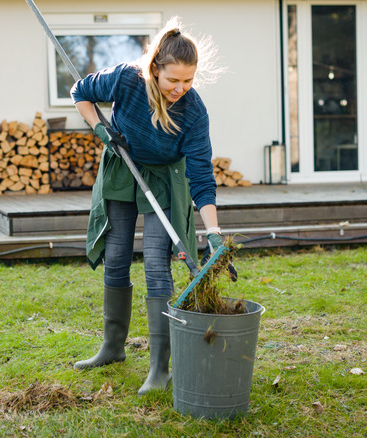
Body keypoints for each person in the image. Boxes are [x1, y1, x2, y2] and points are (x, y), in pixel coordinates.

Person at [70, 17, 226, 395]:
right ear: (154, 68)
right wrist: (99, 128)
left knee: (157, 264)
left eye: (188, 80)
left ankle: (160, 368)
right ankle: (112, 348)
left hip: (164, 178)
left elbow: (202, 177)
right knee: (118, 254)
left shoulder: (193, 111)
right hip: (124, 166)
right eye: (173, 80)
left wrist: (214, 232)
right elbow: (80, 91)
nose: (180, 88)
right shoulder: (126, 79)